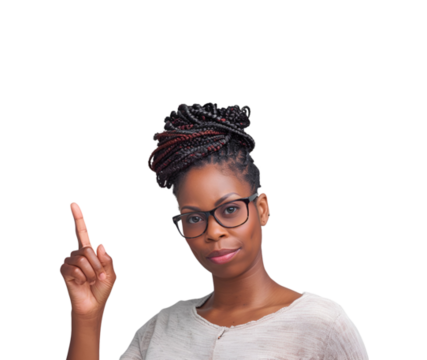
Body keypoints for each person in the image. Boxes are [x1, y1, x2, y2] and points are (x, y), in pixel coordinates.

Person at [60, 101, 369, 359]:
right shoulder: (159, 328)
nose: (214, 231)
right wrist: (87, 317)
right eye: (194, 218)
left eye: (230, 209)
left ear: (262, 208)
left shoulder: (323, 326)